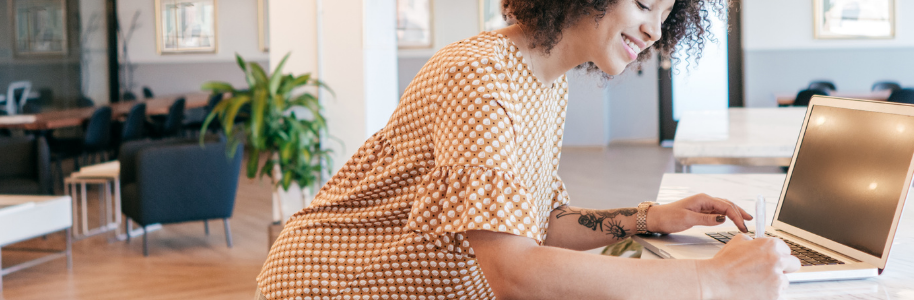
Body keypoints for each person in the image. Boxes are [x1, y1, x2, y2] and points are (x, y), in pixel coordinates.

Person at [255, 0, 801, 299]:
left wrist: (650, 217)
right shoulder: (480, 77)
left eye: (665, 15)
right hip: (334, 285)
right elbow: (516, 273)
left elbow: (535, 222)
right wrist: (711, 280)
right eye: (643, 4)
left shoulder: (545, 79)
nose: (654, 30)